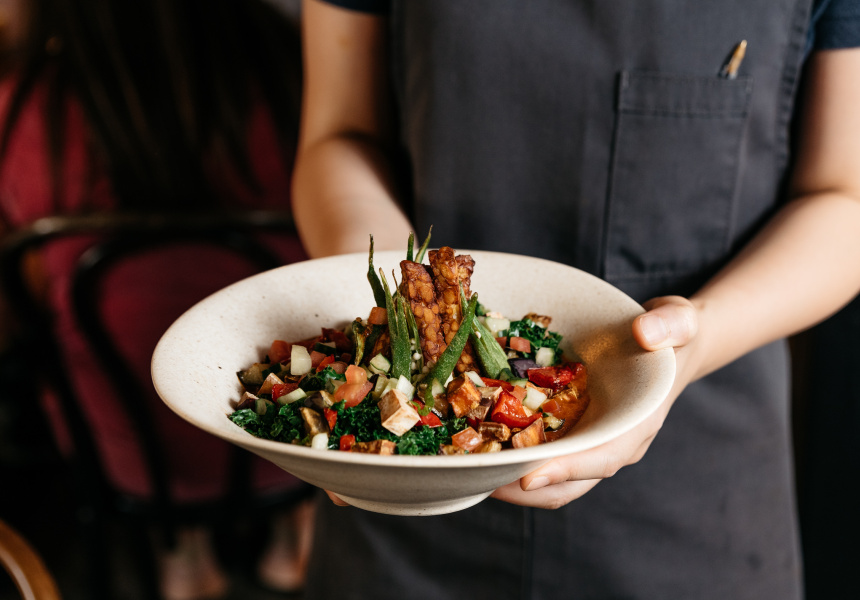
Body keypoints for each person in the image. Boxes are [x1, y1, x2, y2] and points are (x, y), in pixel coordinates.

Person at [292, 0, 860, 598]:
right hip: (399, 496)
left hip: (698, 483)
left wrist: (696, 338)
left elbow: (843, 196)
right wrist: (400, 303)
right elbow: (340, 135)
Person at [0, 1, 313, 598]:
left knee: (86, 344)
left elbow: (18, 318)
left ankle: (183, 553)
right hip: (291, 439)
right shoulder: (295, 76)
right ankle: (295, 533)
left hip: (128, 455)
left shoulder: (23, 108)